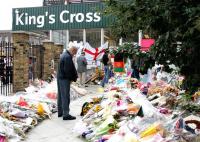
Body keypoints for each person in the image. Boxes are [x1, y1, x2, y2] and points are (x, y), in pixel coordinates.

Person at [57, 46, 78, 120]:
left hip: (60, 77)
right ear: (72, 50)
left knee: (61, 95)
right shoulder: (67, 57)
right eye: (75, 53)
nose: (74, 55)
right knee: (65, 96)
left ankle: (60, 112)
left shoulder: (64, 55)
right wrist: (72, 79)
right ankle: (66, 114)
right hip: (64, 79)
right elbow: (68, 70)